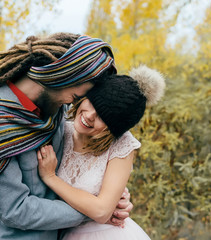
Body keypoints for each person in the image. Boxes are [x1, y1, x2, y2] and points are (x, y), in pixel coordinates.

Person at [0, 33, 133, 240]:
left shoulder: (54, 107)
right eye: (77, 96)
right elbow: (16, 209)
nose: (77, 103)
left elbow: (77, 159)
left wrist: (109, 195)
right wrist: (94, 212)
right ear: (64, 73)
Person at [37, 65, 165, 239]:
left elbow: (102, 211)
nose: (90, 115)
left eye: (103, 116)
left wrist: (51, 178)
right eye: (94, 103)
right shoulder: (59, 127)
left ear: (113, 130)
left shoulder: (121, 146)